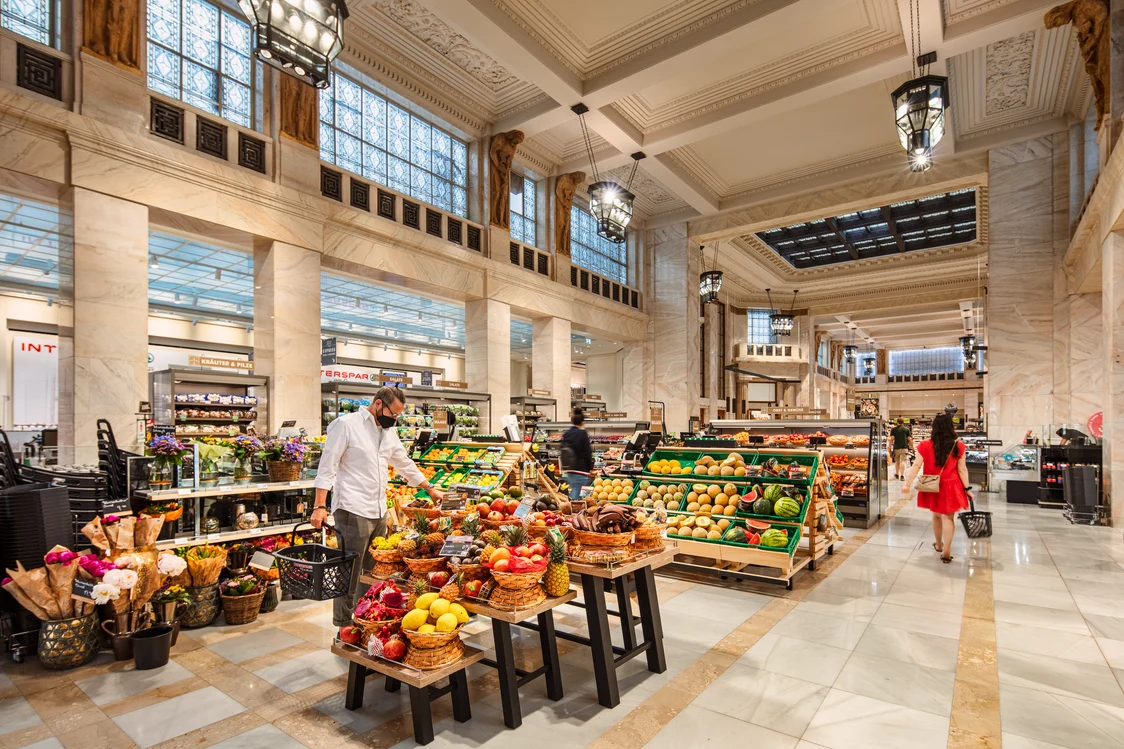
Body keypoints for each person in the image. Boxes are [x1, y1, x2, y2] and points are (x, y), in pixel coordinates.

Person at [312, 386, 446, 626]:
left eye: (397, 415)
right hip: (352, 509)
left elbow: (403, 463)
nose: (394, 419)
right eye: (392, 413)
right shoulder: (346, 425)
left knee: (376, 574)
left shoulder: (388, 432)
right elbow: (327, 467)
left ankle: (367, 623)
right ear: (377, 404)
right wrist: (319, 506)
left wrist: (430, 489)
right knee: (350, 573)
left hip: (378, 510)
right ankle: (344, 627)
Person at [901, 413, 971, 563]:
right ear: (951, 427)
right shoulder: (958, 446)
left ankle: (938, 544)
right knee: (948, 517)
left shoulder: (925, 445)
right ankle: (947, 551)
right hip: (951, 485)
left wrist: (907, 483)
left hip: (932, 484)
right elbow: (962, 470)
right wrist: (967, 488)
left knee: (936, 516)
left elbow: (917, 465)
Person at [560, 407, 593, 500]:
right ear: (583, 422)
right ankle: (572, 511)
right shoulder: (582, 433)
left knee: (574, 489)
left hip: (569, 469)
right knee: (577, 494)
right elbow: (587, 452)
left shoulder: (567, 434)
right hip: (581, 469)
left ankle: (571, 508)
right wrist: (590, 468)